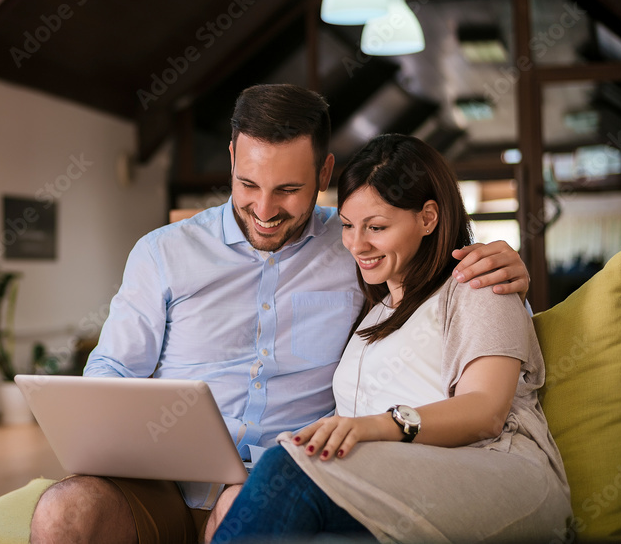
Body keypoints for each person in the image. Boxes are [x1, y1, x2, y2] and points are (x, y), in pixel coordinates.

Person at [30, 85, 531, 544]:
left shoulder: (356, 245)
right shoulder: (163, 253)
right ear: (230, 157)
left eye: (289, 190)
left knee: (242, 502)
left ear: (325, 173)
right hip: (161, 484)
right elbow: (113, 370)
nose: (264, 209)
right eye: (248, 184)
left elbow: (430, 281)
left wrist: (501, 265)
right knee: (64, 512)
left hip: (280, 479)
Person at [210, 133, 571, 543]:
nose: (357, 244)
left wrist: (378, 426)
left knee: (284, 469)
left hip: (496, 475)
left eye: (377, 227)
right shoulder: (374, 313)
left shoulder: (477, 283)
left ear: (428, 218)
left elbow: (485, 411)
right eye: (347, 225)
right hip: (399, 488)